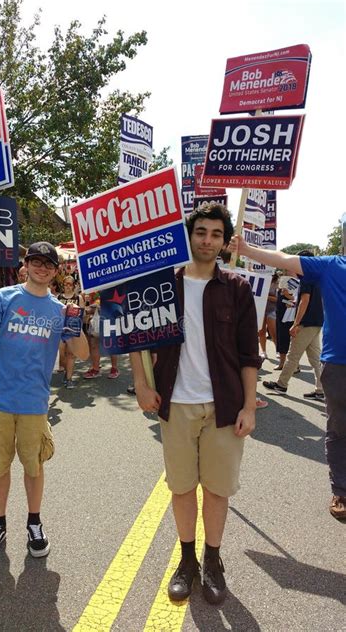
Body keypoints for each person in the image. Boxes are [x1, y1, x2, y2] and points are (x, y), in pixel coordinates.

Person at [130, 203, 260, 605]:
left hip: (223, 406)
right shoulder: (162, 286)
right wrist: (139, 382)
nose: (207, 240)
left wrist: (250, 406)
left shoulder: (237, 289)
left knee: (217, 490)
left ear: (224, 242)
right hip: (176, 404)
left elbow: (248, 354)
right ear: (189, 236)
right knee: (183, 488)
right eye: (200, 232)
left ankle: (213, 560)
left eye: (216, 234)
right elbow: (137, 333)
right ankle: (187, 560)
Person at [0, 242, 89, 561]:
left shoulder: (60, 310)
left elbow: (83, 354)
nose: (41, 267)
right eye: (36, 261)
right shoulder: (5, 297)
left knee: (33, 466)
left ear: (56, 271)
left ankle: (34, 522)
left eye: (48, 263)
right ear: (26, 264)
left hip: (34, 402)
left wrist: (76, 321)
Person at [230, 235, 346, 521]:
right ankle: (342, 491)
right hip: (339, 365)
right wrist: (245, 249)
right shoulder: (332, 266)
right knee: (340, 429)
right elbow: (282, 259)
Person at [263, 251, 324, 399]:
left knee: (293, 356)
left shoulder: (306, 278)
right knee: (315, 359)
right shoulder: (318, 277)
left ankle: (281, 385)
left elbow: (305, 300)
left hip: (306, 322)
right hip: (316, 321)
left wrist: (296, 323)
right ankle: (321, 389)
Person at [57, 276, 83, 389]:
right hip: (60, 330)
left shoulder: (78, 297)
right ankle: (65, 369)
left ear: (74, 285)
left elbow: (82, 314)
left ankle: (69, 378)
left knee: (71, 355)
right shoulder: (58, 297)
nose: (68, 286)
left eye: (70, 284)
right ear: (63, 285)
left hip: (73, 329)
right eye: (66, 283)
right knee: (62, 354)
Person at [258, 273, 278, 360]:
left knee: (273, 332)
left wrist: (265, 295)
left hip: (272, 310)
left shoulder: (276, 283)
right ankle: (263, 352)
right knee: (261, 332)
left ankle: (278, 351)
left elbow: (277, 299)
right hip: (261, 309)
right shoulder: (259, 280)